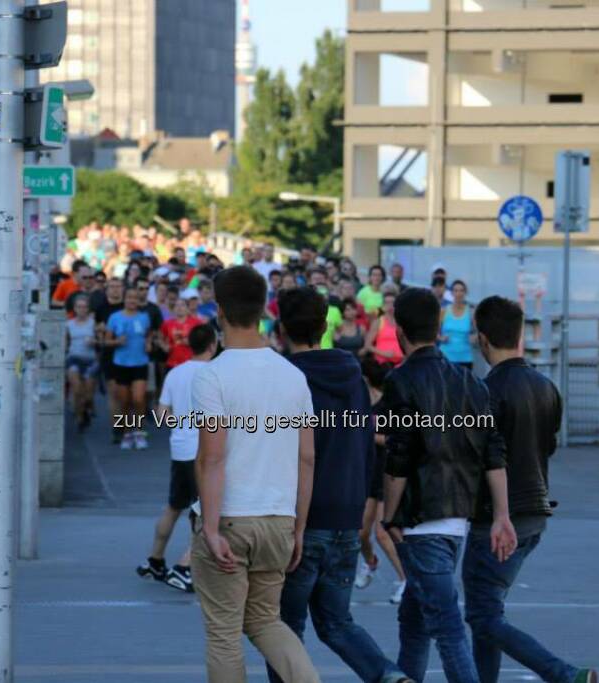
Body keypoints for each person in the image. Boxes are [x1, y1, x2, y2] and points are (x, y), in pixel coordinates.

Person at [266, 287, 412, 683]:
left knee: (283, 629)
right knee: (337, 622)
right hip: (346, 516)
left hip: (304, 516)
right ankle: (387, 674)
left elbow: (285, 448)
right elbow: (365, 442)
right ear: (325, 326)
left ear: (281, 329)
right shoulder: (352, 373)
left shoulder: (285, 377)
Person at [378, 287, 515, 683]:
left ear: (399, 331)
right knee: (415, 620)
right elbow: (493, 453)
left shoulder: (401, 380)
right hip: (458, 518)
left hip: (422, 521)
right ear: (440, 327)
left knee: (446, 627)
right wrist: (502, 515)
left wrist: (390, 514)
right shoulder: (471, 381)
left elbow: (398, 456)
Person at [191, 265, 320, 683]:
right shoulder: (293, 375)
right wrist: (297, 527)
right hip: (278, 519)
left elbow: (211, 458)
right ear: (264, 308)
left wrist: (210, 529)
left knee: (224, 634)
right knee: (266, 620)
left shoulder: (212, 375)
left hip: (230, 518)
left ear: (219, 311)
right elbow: (307, 458)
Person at [464, 297, 598, 683]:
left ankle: (564, 674)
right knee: (488, 613)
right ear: (520, 335)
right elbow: (547, 446)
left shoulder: (485, 392)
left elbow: (483, 458)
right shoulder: (546, 387)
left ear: (483, 338)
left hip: (495, 519)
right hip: (535, 513)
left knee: (482, 615)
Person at [137, 324, 218, 593]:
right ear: (212, 345)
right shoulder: (215, 374)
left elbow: (161, 416)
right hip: (204, 454)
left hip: (180, 449)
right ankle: (184, 568)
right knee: (206, 514)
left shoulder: (175, 373)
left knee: (174, 507)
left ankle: (155, 560)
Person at [354, 356, 406, 605]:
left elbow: (396, 440)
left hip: (389, 471)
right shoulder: (362, 404)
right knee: (361, 532)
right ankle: (371, 562)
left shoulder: (389, 405)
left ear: (365, 379)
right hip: (370, 472)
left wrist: (369, 434)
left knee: (383, 531)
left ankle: (406, 578)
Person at [105, 287, 152, 450]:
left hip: (140, 363)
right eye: (129, 297)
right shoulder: (114, 317)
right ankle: (126, 433)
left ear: (139, 301)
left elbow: (149, 336)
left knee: (138, 399)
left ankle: (139, 431)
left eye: (135, 298)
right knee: (124, 402)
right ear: (124, 299)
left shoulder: (144, 318)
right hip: (121, 363)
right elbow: (106, 341)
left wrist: (148, 344)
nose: (132, 301)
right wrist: (116, 342)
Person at [94, 277, 125, 443]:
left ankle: (128, 426)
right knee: (113, 393)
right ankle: (117, 429)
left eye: (118, 286)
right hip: (109, 355)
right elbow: (98, 332)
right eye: (112, 287)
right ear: (107, 290)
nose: (115, 289)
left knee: (126, 395)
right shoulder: (101, 309)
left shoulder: (128, 306)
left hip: (129, 354)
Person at [65, 295, 98, 431]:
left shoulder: (93, 323)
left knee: (88, 395)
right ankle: (80, 418)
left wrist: (94, 341)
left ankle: (87, 407)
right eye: (79, 307)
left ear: (88, 309)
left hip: (90, 359)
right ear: (74, 309)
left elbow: (101, 342)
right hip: (73, 358)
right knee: (77, 390)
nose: (81, 309)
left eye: (84, 307)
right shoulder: (69, 324)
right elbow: (65, 343)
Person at [439, 280, 475, 370]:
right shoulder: (444, 311)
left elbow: (479, 332)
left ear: (465, 292)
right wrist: (439, 338)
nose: (459, 293)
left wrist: (474, 337)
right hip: (446, 357)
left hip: (465, 358)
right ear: (451, 293)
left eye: (461, 290)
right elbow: (432, 331)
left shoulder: (471, 312)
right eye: (456, 290)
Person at [363, 290, 404, 367]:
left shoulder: (402, 322)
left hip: (401, 363)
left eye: (392, 302)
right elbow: (367, 345)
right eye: (387, 303)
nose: (390, 305)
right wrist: (384, 353)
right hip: (382, 363)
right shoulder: (378, 322)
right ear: (383, 305)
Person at [160, 298, 202, 369]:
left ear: (187, 308)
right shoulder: (167, 324)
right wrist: (164, 346)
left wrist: (192, 342)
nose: (179, 307)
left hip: (191, 363)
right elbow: (160, 338)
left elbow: (203, 340)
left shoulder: (197, 322)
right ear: (173, 309)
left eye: (182, 305)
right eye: (177, 305)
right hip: (172, 364)